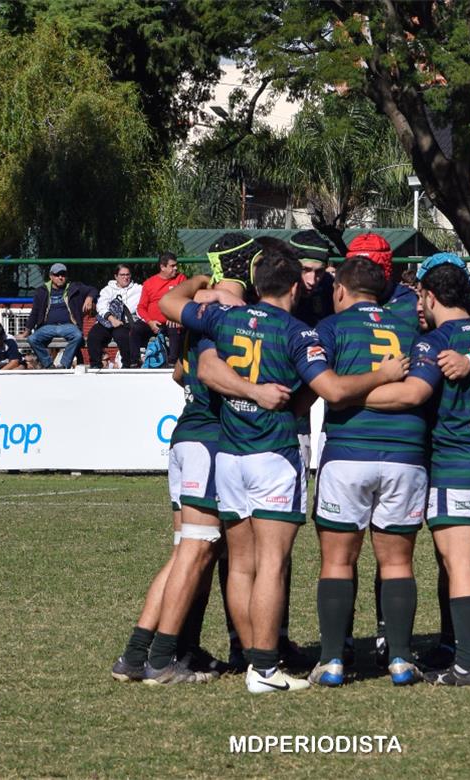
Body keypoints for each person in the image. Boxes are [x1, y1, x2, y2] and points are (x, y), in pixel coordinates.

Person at [160, 244, 409, 694]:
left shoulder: (224, 317)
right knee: (273, 564)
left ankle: (249, 655)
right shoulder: (299, 333)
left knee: (240, 565)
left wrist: (206, 288)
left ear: (255, 287)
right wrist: (384, 374)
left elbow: (168, 304)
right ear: (295, 286)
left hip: (230, 455)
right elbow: (329, 388)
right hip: (274, 452)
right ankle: (265, 667)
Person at [358, 259, 470, 685]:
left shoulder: (434, 341)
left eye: (421, 297)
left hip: (458, 465)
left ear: (430, 297)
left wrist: (352, 394)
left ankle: (467, 664)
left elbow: (412, 394)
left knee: (460, 567)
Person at [112, 312, 294, 685]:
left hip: (184, 437)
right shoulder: (229, 329)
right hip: (208, 444)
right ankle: (161, 660)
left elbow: (179, 374)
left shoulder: (199, 328)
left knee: (186, 551)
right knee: (194, 552)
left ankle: (138, 655)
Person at [304, 257, 426, 688]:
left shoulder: (330, 328)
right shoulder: (411, 330)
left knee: (337, 560)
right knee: (397, 562)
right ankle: (399, 660)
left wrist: (351, 396)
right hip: (406, 454)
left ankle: (333, 661)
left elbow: (328, 391)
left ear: (340, 289)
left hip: (348, 452)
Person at [25, 263, 95, 370]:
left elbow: (93, 290)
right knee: (32, 339)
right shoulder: (42, 291)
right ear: (51, 276)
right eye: (57, 275)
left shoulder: (74, 287)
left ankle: (64, 364)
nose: (60, 277)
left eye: (63, 275)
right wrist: (27, 331)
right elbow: (35, 312)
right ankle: (48, 364)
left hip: (68, 325)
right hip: (47, 327)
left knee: (78, 336)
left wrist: (89, 298)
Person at [133, 253, 188, 366]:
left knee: (174, 327)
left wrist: (176, 316)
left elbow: (186, 300)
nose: (176, 268)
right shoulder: (149, 283)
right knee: (135, 329)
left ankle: (173, 362)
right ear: (162, 267)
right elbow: (141, 307)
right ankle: (134, 362)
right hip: (153, 322)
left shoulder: (181, 279)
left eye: (176, 265)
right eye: (172, 266)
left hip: (172, 320)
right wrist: (150, 322)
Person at [89, 264, 143, 368]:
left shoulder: (138, 289)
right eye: (122, 275)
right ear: (116, 276)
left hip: (124, 323)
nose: (125, 277)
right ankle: (95, 366)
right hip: (107, 321)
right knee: (94, 336)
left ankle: (128, 366)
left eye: (127, 274)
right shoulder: (108, 289)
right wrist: (111, 319)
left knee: (123, 336)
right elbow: (101, 306)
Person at [291, 230, 338, 326]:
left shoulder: (329, 287)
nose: (312, 281)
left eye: (319, 271)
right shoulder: (274, 289)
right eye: (305, 269)